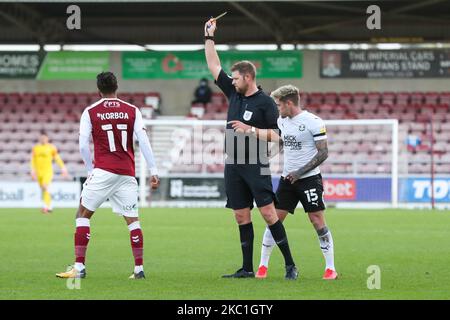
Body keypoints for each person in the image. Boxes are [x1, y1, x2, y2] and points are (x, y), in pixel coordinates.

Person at [204, 18, 298, 280]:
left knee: (268, 214)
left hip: (255, 162)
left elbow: (279, 136)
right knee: (240, 216)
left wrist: (251, 130)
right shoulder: (233, 93)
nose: (231, 82)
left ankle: (290, 264)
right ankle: (246, 268)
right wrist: (209, 37)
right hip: (232, 163)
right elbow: (214, 65)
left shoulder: (266, 103)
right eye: (231, 79)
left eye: (235, 78)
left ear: (247, 77)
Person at [56, 71, 160, 280]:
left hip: (103, 170)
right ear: (116, 87)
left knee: (82, 215)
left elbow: (83, 144)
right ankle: (138, 270)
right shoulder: (132, 110)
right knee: (133, 221)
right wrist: (154, 171)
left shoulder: (91, 111)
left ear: (98, 89)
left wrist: (89, 170)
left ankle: (79, 267)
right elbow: (144, 141)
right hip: (127, 173)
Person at [249, 85, 338, 280]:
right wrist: (266, 157)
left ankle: (330, 268)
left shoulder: (313, 122)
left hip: (309, 180)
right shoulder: (282, 121)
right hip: (287, 180)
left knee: (317, 221)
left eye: (279, 105)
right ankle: (263, 266)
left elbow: (323, 153)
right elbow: (282, 143)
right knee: (273, 220)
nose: (277, 109)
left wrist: (299, 172)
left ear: (289, 103)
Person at [30, 132, 69, 213]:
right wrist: (32, 170)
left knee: (45, 186)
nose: (43, 139)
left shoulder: (51, 148)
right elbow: (33, 160)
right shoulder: (36, 148)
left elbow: (57, 158)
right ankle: (50, 206)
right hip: (38, 172)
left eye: (44, 138)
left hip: (47, 171)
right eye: (41, 138)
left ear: (47, 139)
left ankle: (45, 207)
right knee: (44, 189)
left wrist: (63, 168)